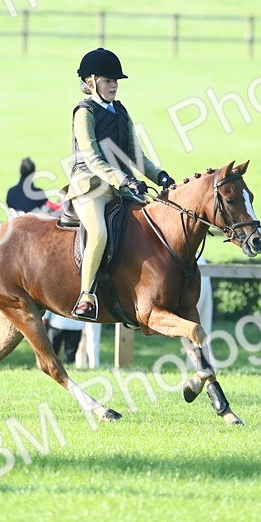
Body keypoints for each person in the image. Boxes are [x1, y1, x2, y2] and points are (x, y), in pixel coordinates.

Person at [66, 47, 175, 321]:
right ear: (90, 82)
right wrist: (124, 179)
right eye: (107, 80)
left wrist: (159, 176)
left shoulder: (121, 111)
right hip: (90, 186)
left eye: (115, 81)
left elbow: (136, 156)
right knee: (99, 233)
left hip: (121, 186)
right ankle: (86, 297)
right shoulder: (84, 113)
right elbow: (92, 158)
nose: (113, 85)